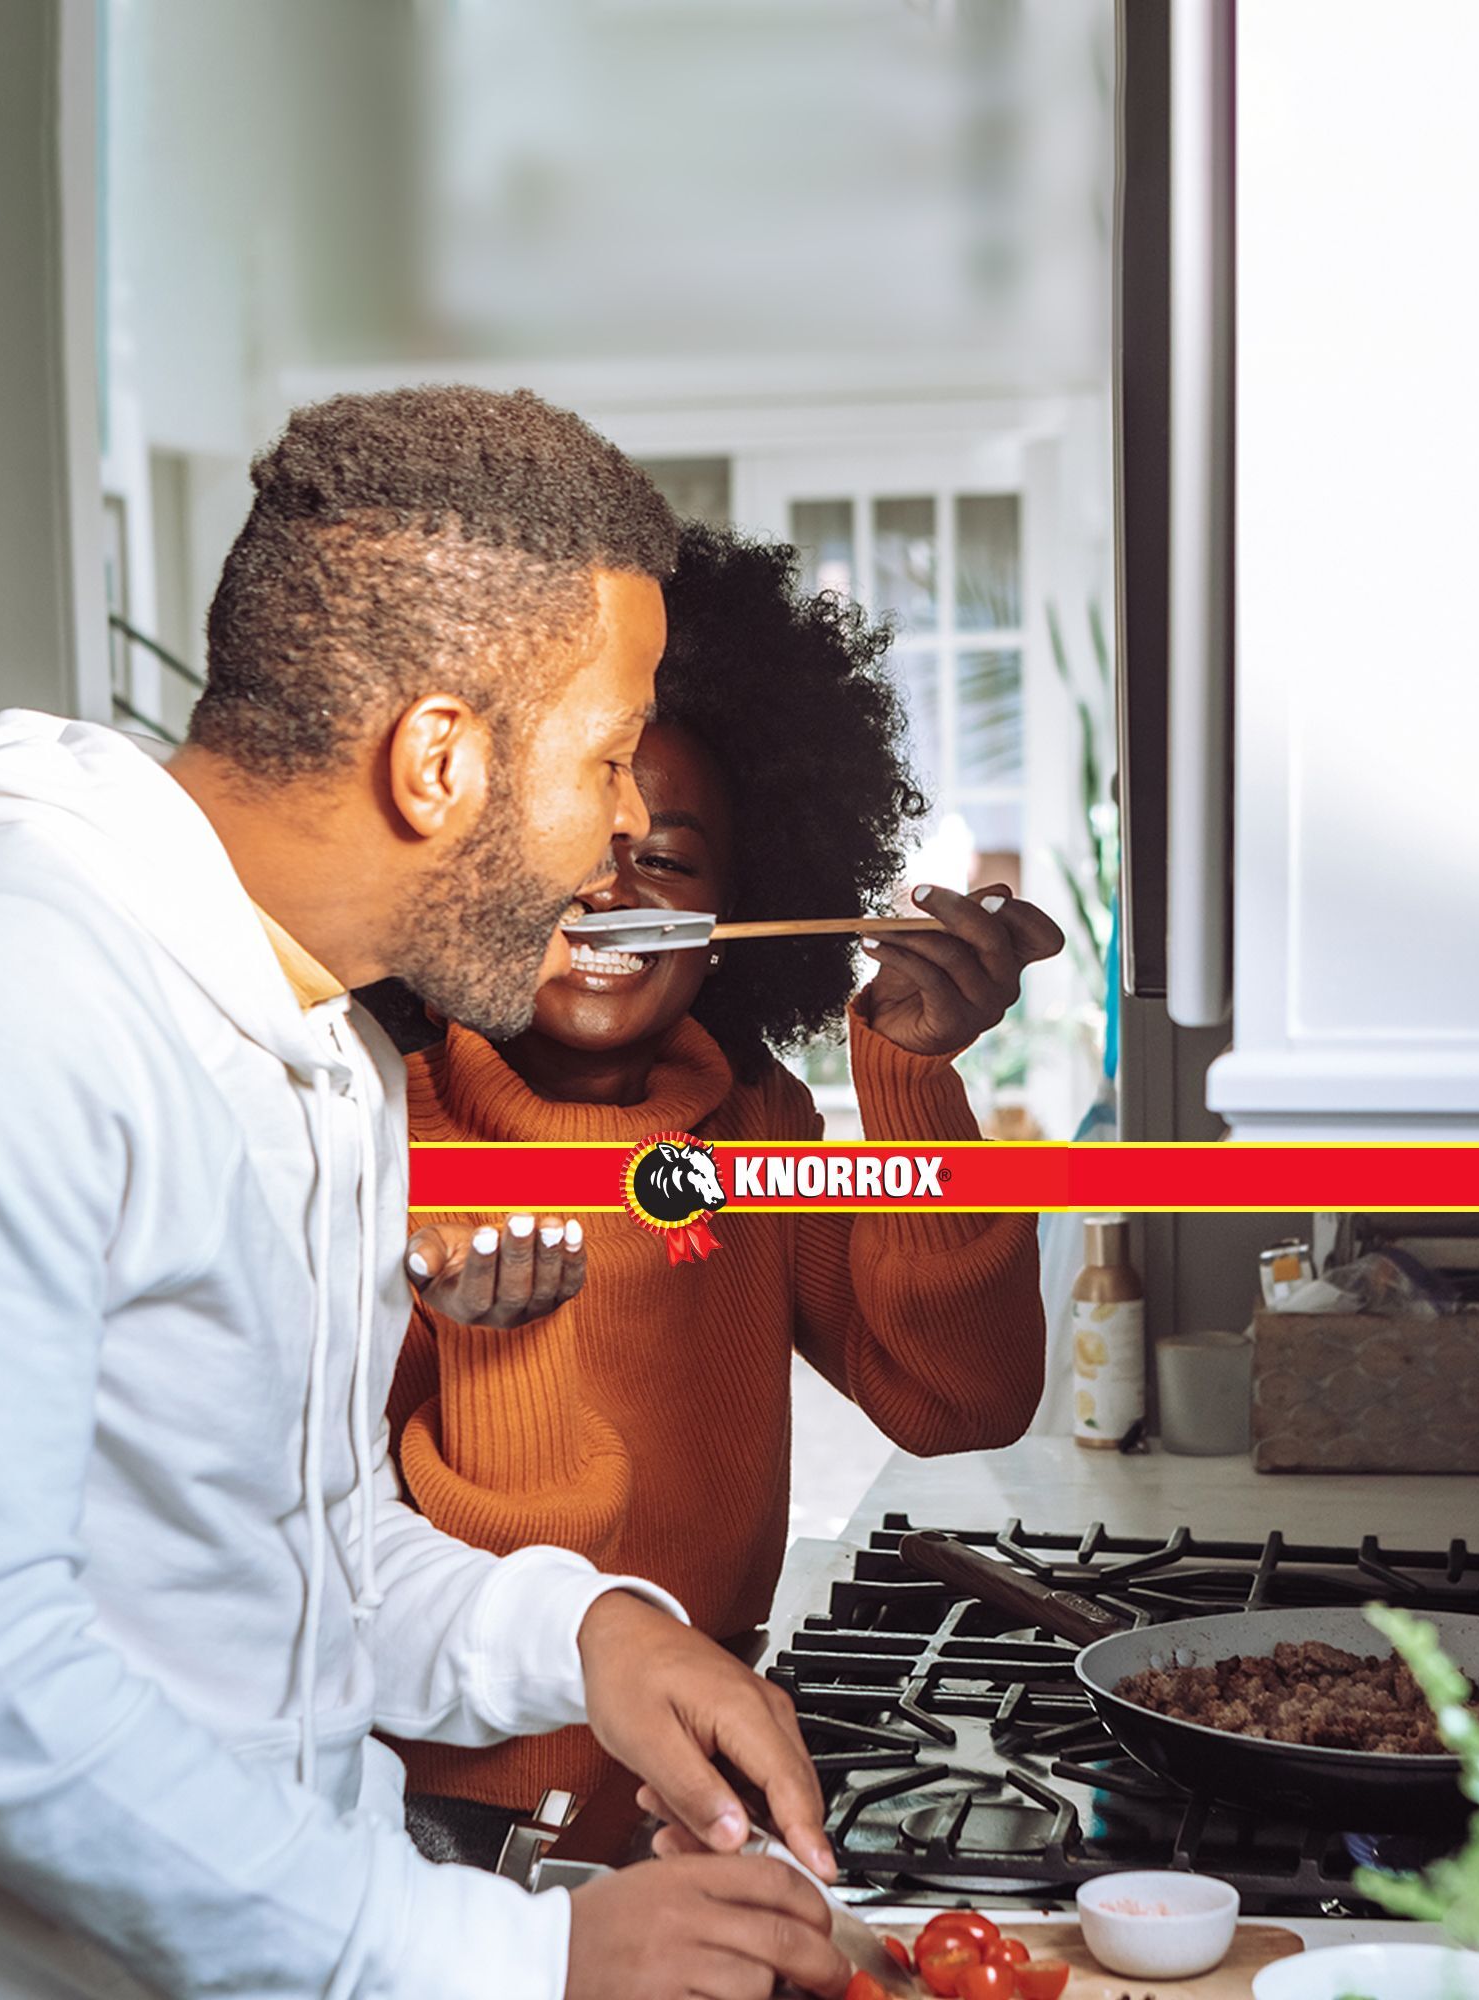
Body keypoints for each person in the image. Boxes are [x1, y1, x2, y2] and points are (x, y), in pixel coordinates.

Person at [0, 390, 852, 2000]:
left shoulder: (320, 1049)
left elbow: (287, 1555)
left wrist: (589, 1636)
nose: (634, 824)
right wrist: (508, 1961)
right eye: (604, 757)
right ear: (439, 758)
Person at [384, 522, 1064, 1854]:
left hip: (706, 1794)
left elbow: (958, 1403)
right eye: (565, 837)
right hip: (443, 1814)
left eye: (671, 862)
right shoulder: (373, 1144)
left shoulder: (755, 1129)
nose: (610, 894)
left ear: (746, 905)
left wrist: (913, 1077)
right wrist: (493, 1351)